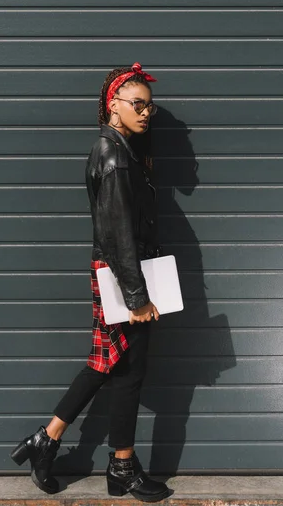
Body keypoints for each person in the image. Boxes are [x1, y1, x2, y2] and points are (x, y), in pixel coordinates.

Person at [9, 63, 170, 503]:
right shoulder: (116, 156)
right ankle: (121, 467)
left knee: (107, 364)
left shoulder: (119, 149)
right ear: (113, 106)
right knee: (128, 371)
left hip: (118, 271)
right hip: (124, 275)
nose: (144, 112)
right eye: (137, 104)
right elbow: (118, 231)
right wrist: (137, 297)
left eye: (149, 107)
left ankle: (49, 438)